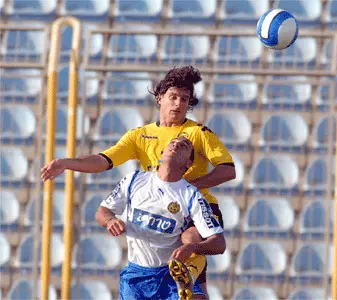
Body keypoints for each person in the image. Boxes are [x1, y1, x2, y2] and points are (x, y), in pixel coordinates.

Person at [41, 65, 236, 295]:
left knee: (190, 240)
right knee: (191, 285)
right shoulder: (140, 136)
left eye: (184, 99)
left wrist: (189, 185)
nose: (178, 104)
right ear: (159, 97)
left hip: (195, 208)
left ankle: (187, 281)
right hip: (162, 211)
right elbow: (104, 160)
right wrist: (66, 163)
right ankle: (189, 285)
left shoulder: (197, 133)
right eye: (173, 97)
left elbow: (228, 170)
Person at [96, 137, 226, 300]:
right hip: (136, 277)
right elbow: (102, 211)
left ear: (188, 164)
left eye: (184, 146)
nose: (176, 144)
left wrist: (192, 247)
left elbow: (219, 243)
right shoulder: (134, 179)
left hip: (170, 275)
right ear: (162, 153)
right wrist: (109, 220)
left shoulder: (191, 195)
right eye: (172, 142)